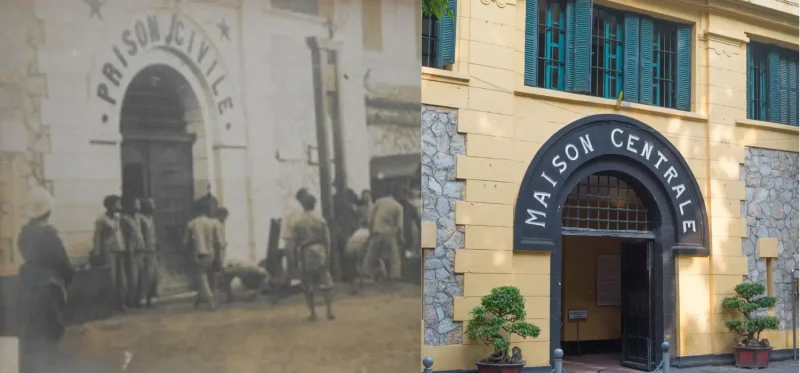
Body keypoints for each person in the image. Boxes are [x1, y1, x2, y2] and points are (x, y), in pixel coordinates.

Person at [17, 186, 74, 368]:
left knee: (33, 326)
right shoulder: (49, 235)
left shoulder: (24, 233)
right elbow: (62, 261)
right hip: (50, 284)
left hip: (30, 283)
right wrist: (68, 276)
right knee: (53, 328)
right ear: (48, 211)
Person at [292, 193, 335, 321]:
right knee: (326, 282)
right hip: (320, 250)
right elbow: (327, 241)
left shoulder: (299, 221)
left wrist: (297, 258)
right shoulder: (321, 220)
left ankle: (313, 313)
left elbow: (296, 241)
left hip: (306, 252)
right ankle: (329, 311)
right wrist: (328, 256)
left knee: (308, 283)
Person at [183, 195, 223, 310]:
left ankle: (210, 301)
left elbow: (186, 243)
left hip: (198, 254)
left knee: (202, 278)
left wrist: (187, 257)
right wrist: (219, 258)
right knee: (207, 279)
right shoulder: (213, 223)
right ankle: (198, 301)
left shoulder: (191, 224)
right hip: (211, 254)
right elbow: (218, 243)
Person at [361, 186, 404, 290]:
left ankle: (366, 276)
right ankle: (394, 278)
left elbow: (371, 217)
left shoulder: (379, 202)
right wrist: (401, 238)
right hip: (389, 233)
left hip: (376, 231)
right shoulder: (398, 206)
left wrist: (371, 231)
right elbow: (399, 226)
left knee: (371, 255)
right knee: (394, 257)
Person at [90, 195, 127, 312]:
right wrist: (97, 252)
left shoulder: (118, 218)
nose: (120, 206)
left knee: (121, 279)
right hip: (108, 251)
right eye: (117, 203)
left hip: (119, 250)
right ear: (110, 205)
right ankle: (108, 306)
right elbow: (97, 237)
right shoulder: (101, 219)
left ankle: (120, 304)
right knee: (111, 279)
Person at [119, 196, 145, 308]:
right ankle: (130, 300)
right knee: (132, 277)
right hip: (131, 250)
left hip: (140, 249)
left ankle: (138, 299)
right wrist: (128, 250)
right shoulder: (124, 219)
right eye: (136, 204)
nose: (138, 206)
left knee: (140, 276)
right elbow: (124, 236)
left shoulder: (139, 218)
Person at [137, 198, 159, 308]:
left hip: (152, 248)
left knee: (153, 274)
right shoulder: (140, 218)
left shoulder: (151, 218)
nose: (153, 207)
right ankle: (143, 297)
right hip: (145, 250)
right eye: (151, 204)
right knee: (145, 274)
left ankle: (152, 295)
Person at [211, 206, 229, 292]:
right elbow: (217, 239)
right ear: (220, 215)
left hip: (220, 249)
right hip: (218, 250)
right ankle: (217, 288)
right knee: (218, 270)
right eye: (224, 217)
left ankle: (220, 287)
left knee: (219, 270)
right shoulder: (216, 224)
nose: (225, 219)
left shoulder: (217, 223)